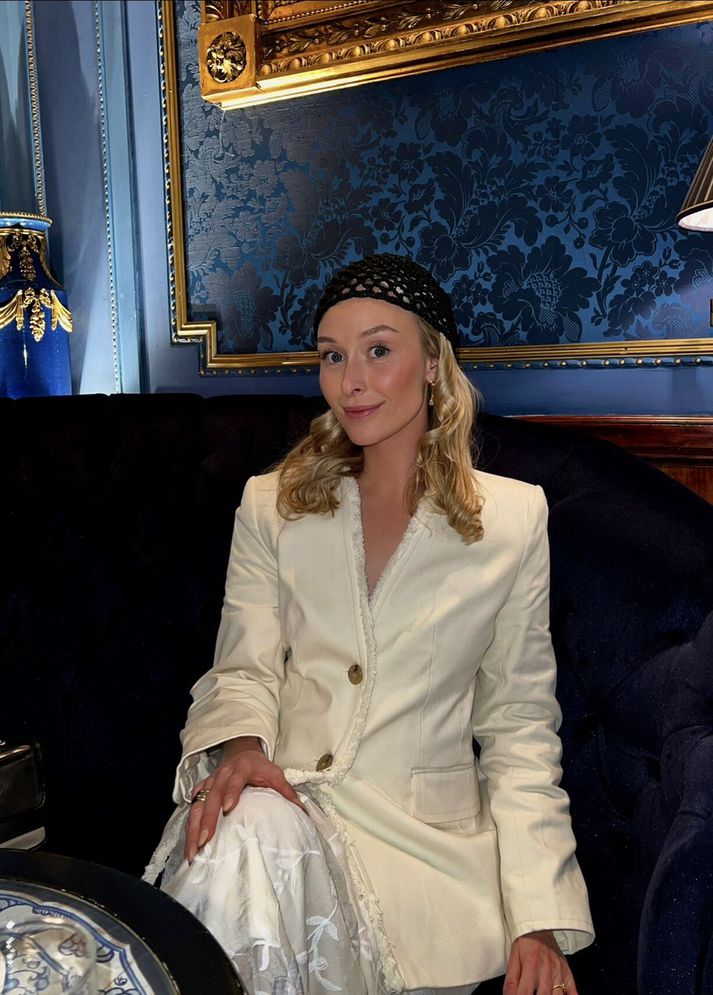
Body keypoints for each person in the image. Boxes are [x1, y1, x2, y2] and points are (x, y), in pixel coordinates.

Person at [144, 254, 594, 995]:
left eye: (378, 350)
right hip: (286, 819)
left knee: (244, 843)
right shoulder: (272, 505)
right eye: (332, 356)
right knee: (247, 826)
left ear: (432, 364)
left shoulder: (513, 520)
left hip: (426, 874)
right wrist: (244, 747)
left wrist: (537, 918)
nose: (350, 380)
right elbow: (242, 669)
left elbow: (518, 728)